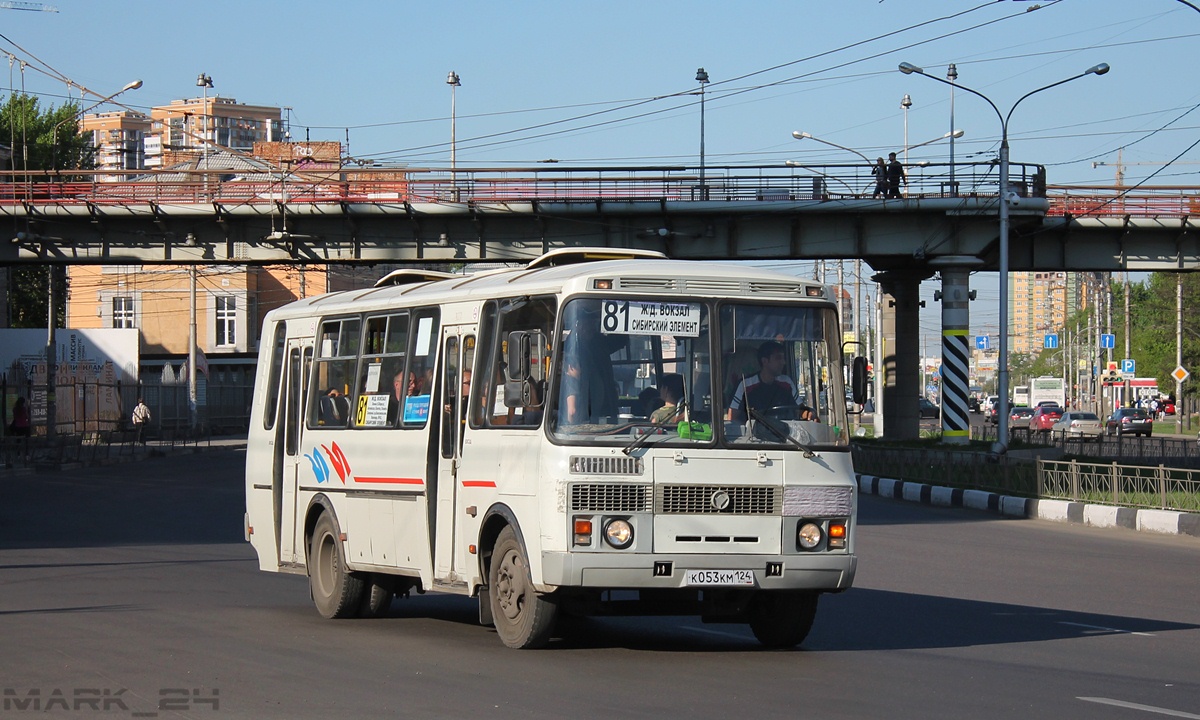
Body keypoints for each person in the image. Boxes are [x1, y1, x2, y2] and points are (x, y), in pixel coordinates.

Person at [727, 340, 800, 422]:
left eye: (783, 358)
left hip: (784, 433)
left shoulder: (787, 383)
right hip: (752, 434)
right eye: (778, 358)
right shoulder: (745, 385)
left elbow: (801, 410)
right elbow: (732, 418)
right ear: (765, 361)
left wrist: (809, 414)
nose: (783, 362)